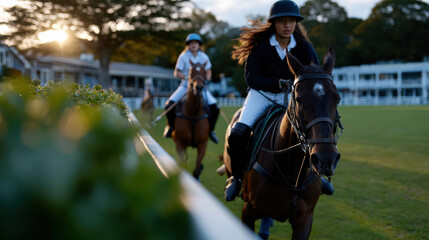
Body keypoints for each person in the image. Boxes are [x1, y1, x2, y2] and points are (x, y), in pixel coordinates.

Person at [224, 0, 334, 201]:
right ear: (273, 23)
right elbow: (251, 78)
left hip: (292, 98)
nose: (287, 25)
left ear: (296, 23)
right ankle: (236, 177)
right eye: (282, 21)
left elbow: (313, 75)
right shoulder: (260, 47)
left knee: (310, 131)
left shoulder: (305, 48)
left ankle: (317, 175)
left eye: (292, 21)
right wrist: (277, 83)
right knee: (238, 133)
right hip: (261, 95)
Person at [164, 33, 219, 143]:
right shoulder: (183, 56)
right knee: (169, 105)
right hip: (185, 87)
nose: (194, 45)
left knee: (215, 107)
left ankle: (211, 131)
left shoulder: (204, 57)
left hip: (200, 87)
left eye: (196, 43)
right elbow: (177, 72)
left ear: (199, 45)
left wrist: (206, 78)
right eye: (191, 43)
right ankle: (171, 127)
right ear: (188, 45)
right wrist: (186, 77)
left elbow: (208, 71)